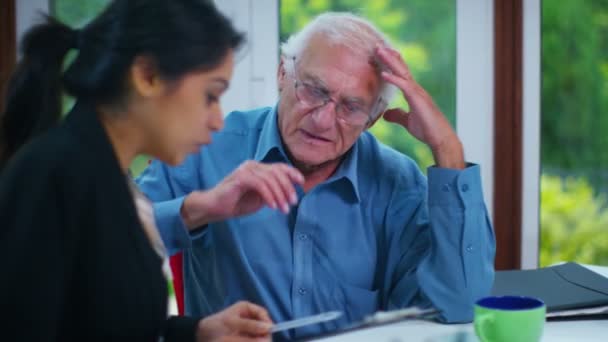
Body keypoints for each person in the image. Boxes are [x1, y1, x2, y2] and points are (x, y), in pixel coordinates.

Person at [137, 12, 496, 340]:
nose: (322, 120)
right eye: (313, 90)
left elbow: (460, 305)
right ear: (282, 73)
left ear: (373, 117)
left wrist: (447, 150)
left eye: (351, 107)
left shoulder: (397, 182)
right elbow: (110, 245)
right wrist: (200, 209)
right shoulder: (205, 147)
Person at [0, 0, 274, 341]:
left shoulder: (113, 180)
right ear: (147, 76)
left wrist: (198, 332)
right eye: (210, 95)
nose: (218, 121)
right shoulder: (51, 174)